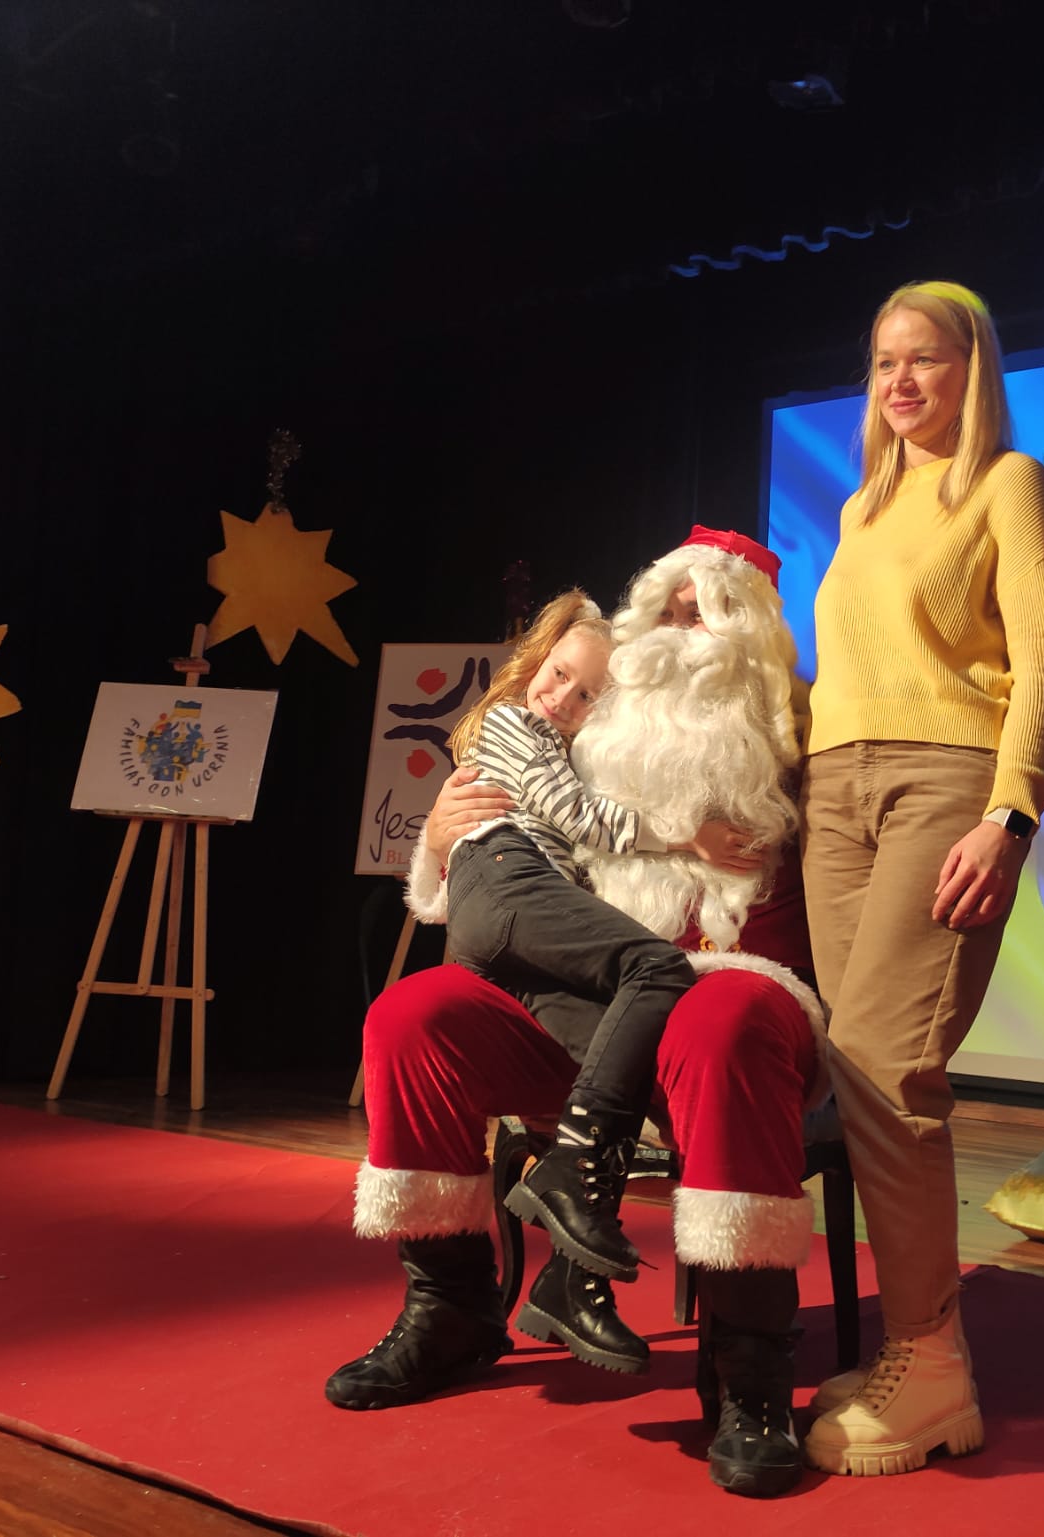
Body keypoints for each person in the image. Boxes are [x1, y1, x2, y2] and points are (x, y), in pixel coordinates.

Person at [328, 528, 824, 1500]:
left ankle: (747, 1369)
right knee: (412, 1014)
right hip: (585, 1008)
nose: (682, 630)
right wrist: (436, 834)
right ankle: (453, 1309)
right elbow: (502, 848)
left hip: (742, 997)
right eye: (669, 609)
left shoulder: (806, 748)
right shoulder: (597, 740)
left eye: (707, 613)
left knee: (713, 1016)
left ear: (755, 640)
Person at [798, 280, 1044, 1478]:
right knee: (852, 1066)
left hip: (944, 784)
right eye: (880, 363)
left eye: (925, 358)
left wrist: (1009, 813)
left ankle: (929, 1364)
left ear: (974, 370)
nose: (900, 380)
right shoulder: (865, 506)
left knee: (885, 1065)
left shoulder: (1005, 483)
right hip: (833, 794)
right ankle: (919, 1344)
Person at [436, 589, 746, 1284]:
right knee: (660, 968)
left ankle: (570, 1280)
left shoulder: (564, 747)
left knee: (615, 1059)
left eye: (585, 696)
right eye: (559, 675)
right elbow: (573, 814)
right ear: (536, 661)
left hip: (509, 918)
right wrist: (690, 838)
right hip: (504, 876)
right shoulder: (515, 723)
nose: (561, 698)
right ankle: (570, 1178)